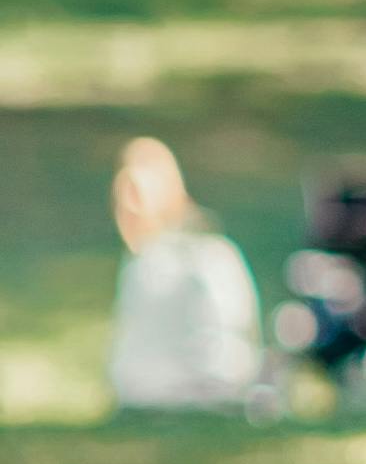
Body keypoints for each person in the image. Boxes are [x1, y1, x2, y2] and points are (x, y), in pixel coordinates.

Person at [105, 138, 276, 416]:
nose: (129, 210)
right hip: (147, 399)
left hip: (194, 395)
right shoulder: (140, 263)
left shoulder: (206, 256)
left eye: (137, 197)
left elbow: (228, 344)